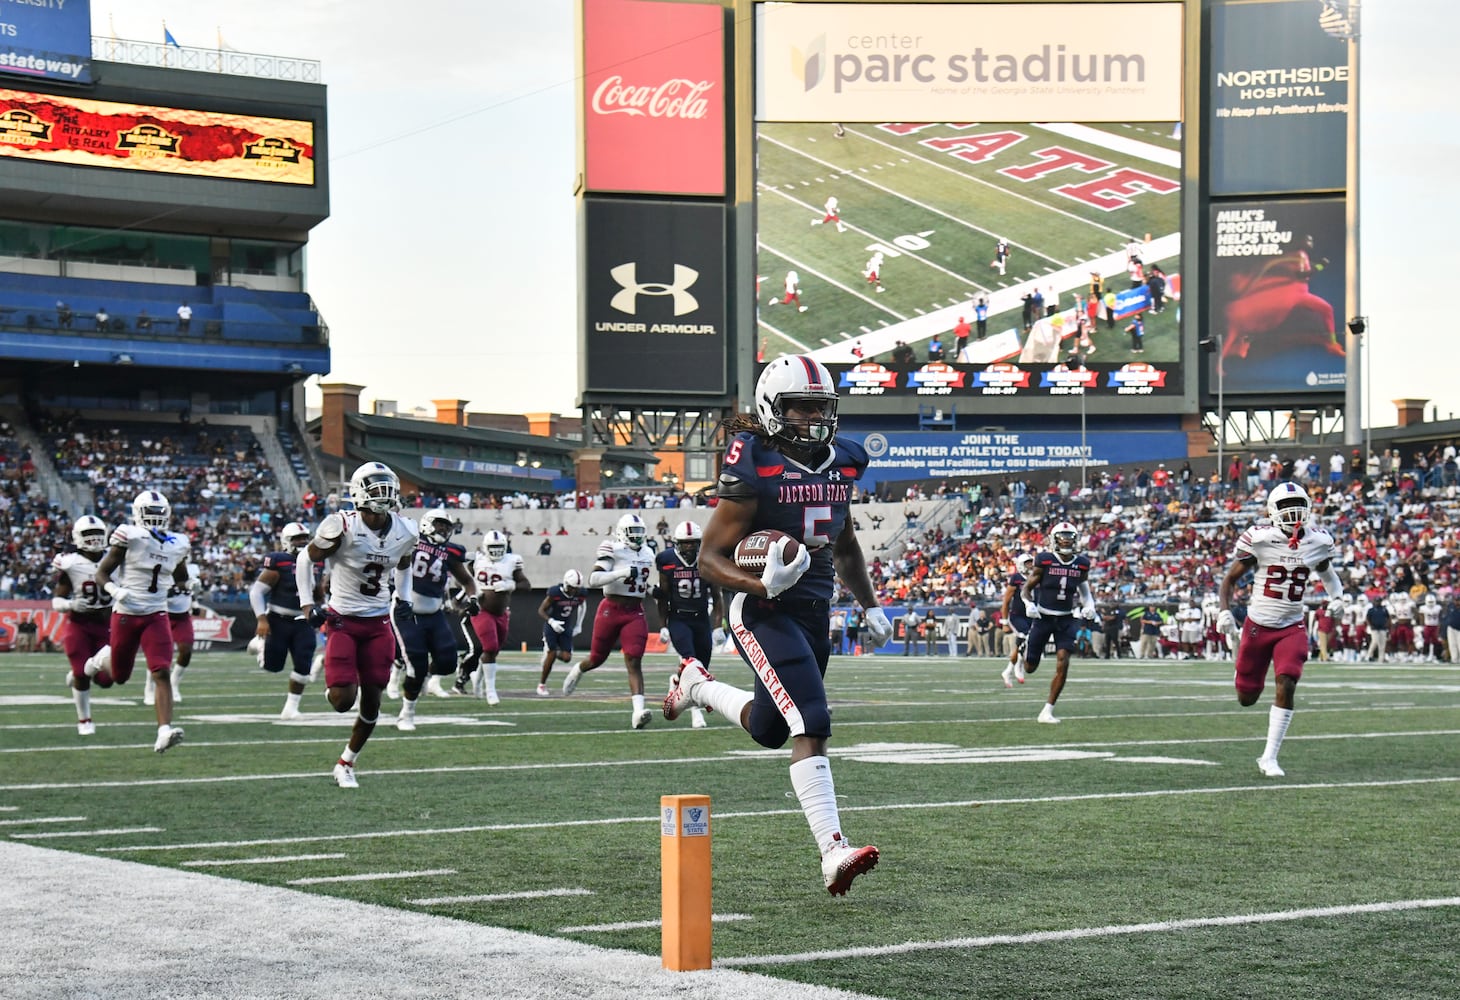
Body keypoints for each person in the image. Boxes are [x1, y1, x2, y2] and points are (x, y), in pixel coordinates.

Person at [663, 354, 894, 896]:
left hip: (815, 610)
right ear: (773, 409)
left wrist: (871, 604)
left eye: (821, 405)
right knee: (811, 718)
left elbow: (844, 541)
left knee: (770, 728)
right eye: (800, 407)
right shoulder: (754, 461)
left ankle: (695, 684)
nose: (813, 416)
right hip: (762, 611)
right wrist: (762, 585)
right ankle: (832, 850)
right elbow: (709, 559)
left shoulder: (844, 462)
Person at [296, 461, 419, 788]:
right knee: (342, 701)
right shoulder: (341, 526)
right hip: (343, 621)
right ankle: (334, 679)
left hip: (378, 622)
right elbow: (305, 558)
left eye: (388, 485)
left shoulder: (405, 530)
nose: (386, 493)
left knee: (373, 699)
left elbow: (405, 564)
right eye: (377, 486)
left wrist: (403, 599)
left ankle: (346, 762)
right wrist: (308, 604)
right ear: (359, 492)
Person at [1217, 482, 1342, 777]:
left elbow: (1329, 575)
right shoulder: (1260, 539)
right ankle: (1241, 666)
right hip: (1258, 625)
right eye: (1286, 507)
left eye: (1298, 504)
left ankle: (1269, 757)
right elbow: (1229, 581)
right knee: (1246, 698)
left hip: (1292, 625)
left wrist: (1337, 598)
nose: (1294, 512)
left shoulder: (1318, 541)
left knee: (1286, 682)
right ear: (1273, 511)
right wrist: (1223, 611)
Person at [94, 490, 194, 753]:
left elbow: (180, 574)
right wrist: (115, 591)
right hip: (126, 612)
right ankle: (99, 659)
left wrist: (187, 583)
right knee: (120, 676)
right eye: (150, 512)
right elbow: (102, 573)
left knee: (161, 670)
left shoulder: (178, 542)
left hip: (156, 613)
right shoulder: (129, 535)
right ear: (138, 514)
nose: (154, 518)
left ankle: (163, 731)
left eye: (158, 513)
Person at [560, 512, 657, 728]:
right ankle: (579, 669)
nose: (638, 537)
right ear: (622, 533)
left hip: (634, 611)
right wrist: (621, 572)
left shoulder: (648, 552)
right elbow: (594, 579)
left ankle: (638, 712)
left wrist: (654, 592)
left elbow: (641, 582)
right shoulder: (612, 548)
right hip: (610, 609)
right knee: (597, 658)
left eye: (640, 532)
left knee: (634, 659)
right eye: (633, 533)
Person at [391, 509, 479, 731]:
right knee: (415, 663)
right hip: (407, 612)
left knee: (448, 662)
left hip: (434, 613)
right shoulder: (410, 540)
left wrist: (474, 598)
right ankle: (406, 714)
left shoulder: (450, 551)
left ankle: (424, 678)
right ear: (426, 524)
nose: (444, 529)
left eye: (447, 526)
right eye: (439, 524)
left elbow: (467, 580)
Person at [1020, 522, 1095, 723]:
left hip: (1066, 618)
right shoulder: (1044, 560)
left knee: (1063, 661)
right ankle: (1023, 651)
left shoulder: (1081, 563)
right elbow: (1026, 588)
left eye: (1070, 536)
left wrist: (1090, 605)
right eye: (1063, 536)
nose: (1067, 540)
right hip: (1043, 616)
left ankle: (1047, 710)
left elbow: (1085, 591)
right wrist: (1029, 604)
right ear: (1054, 539)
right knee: (1030, 667)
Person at [250, 521, 324, 720]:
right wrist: (262, 619)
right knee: (273, 666)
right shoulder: (279, 561)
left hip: (303, 622)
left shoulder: (316, 561)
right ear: (286, 542)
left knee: (304, 664)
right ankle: (259, 645)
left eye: (304, 538)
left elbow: (318, 594)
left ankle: (291, 708)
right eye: (296, 539)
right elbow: (257, 591)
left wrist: (321, 603)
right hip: (278, 620)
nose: (301, 542)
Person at [655, 520, 723, 730]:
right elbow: (664, 596)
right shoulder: (666, 560)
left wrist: (717, 626)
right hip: (679, 618)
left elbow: (717, 596)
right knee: (692, 664)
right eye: (686, 543)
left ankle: (677, 681)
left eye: (693, 543)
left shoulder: (707, 560)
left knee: (702, 667)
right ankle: (696, 712)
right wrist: (663, 625)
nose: (690, 547)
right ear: (677, 544)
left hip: (701, 618)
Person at [53, 515, 116, 735]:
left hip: (106, 625)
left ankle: (81, 671)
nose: (95, 539)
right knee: (81, 675)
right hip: (79, 625)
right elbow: (56, 600)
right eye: (89, 535)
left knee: (108, 679)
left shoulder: (116, 558)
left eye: (98, 534)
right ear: (79, 537)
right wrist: (71, 603)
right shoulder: (71, 563)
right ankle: (84, 720)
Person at [455, 528, 529, 702]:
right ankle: (491, 691)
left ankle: (478, 683)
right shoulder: (477, 560)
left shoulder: (512, 561)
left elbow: (526, 584)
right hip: (481, 610)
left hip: (501, 613)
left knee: (493, 651)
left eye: (499, 546)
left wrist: (510, 585)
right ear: (485, 547)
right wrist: (472, 591)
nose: (496, 550)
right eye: (493, 546)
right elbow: (463, 581)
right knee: (489, 647)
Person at [155, 557, 202, 705]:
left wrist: (194, 603)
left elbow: (191, 590)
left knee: (186, 650)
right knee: (159, 656)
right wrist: (174, 590)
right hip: (164, 614)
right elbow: (157, 593)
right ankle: (149, 688)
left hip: (182, 616)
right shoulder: (162, 569)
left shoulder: (192, 569)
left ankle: (174, 684)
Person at [537, 568, 587, 695]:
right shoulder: (555, 593)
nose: (574, 591)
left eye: (576, 588)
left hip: (566, 626)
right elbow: (541, 610)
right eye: (572, 588)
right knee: (552, 654)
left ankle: (549, 653)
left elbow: (583, 605)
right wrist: (551, 622)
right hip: (552, 626)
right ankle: (542, 685)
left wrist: (579, 624)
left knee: (567, 657)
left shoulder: (580, 593)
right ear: (566, 584)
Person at [998, 553, 1034, 686]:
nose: (1030, 565)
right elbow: (1006, 601)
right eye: (1027, 563)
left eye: (1031, 562)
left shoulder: (1035, 576)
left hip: (1031, 616)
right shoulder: (1016, 578)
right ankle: (1017, 668)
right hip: (1017, 616)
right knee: (1025, 639)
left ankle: (1008, 671)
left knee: (1022, 645)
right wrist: (1004, 621)